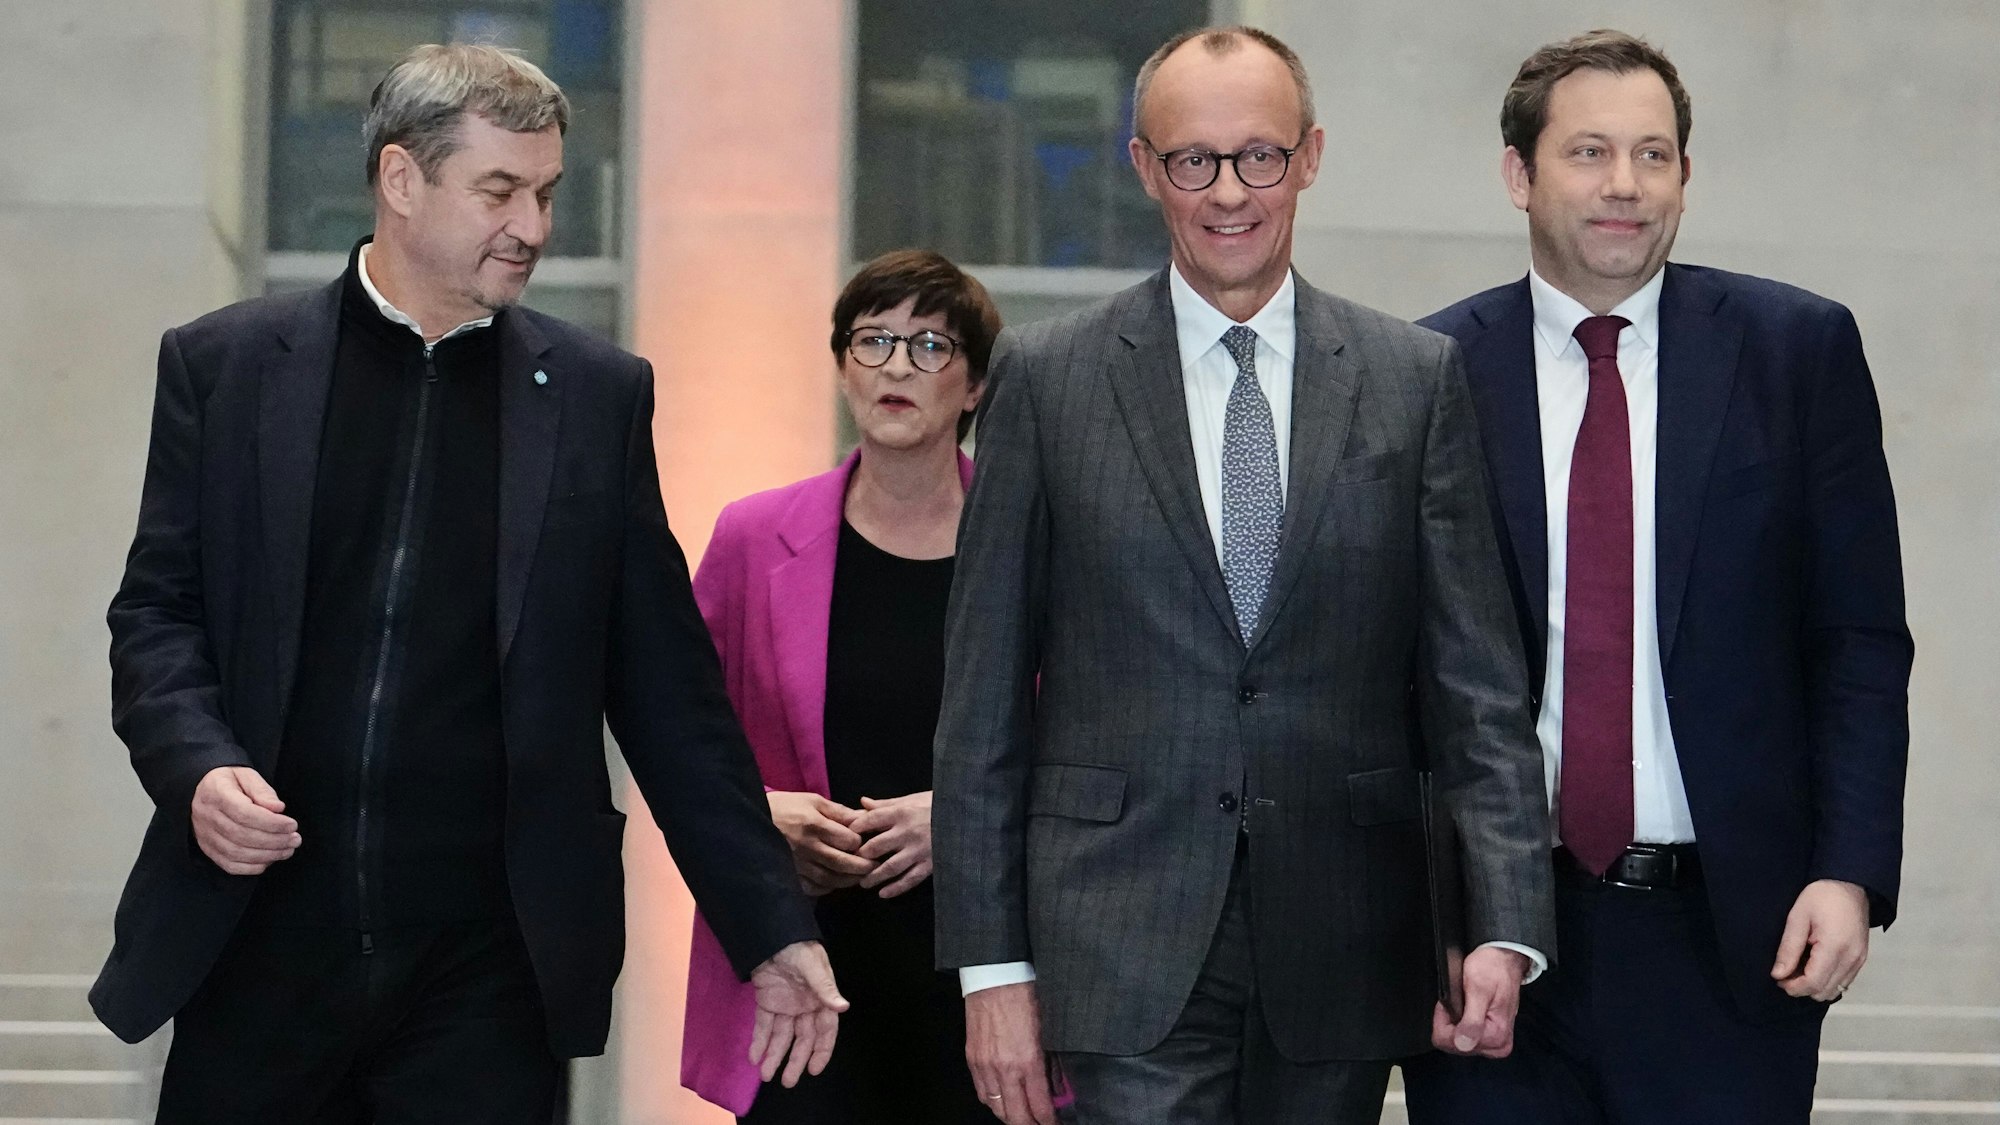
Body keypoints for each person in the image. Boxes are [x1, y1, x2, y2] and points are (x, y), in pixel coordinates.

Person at [95, 44, 844, 1123]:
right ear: (402, 181)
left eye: (544, 194)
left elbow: (671, 701)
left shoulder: (594, 399)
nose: (533, 227)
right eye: (499, 191)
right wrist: (198, 767)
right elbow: (158, 613)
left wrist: (768, 928)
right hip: (258, 947)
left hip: (490, 970)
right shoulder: (228, 367)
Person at [931, 25, 1557, 1125]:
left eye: (1258, 156)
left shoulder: (1413, 380)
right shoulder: (1045, 379)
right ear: (1141, 167)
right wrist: (991, 972)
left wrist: (1503, 919)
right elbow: (979, 708)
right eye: (1192, 161)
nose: (1228, 192)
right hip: (1116, 939)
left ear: (1308, 157)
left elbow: (1477, 689)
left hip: (1349, 940)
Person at [1401, 29, 1913, 1125]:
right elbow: (1391, 668)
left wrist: (1850, 871)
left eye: (1653, 154)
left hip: (1728, 941)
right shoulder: (1425, 374)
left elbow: (1857, 639)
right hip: (1496, 942)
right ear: (1517, 175)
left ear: (1684, 175)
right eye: (1587, 152)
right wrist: (1421, 918)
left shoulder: (1796, 351)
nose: (1623, 185)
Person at [679, 250, 1000, 1122]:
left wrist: (962, 816)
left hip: (985, 975)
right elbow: (681, 732)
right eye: (873, 341)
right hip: (806, 968)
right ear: (842, 366)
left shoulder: (1028, 546)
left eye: (931, 346)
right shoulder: (752, 537)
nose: (897, 365)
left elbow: (1094, 744)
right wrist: (762, 811)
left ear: (973, 387)